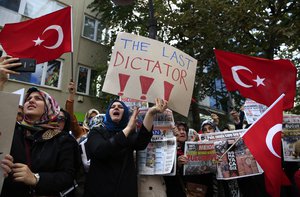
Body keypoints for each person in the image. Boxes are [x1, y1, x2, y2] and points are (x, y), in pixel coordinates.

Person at [0, 87, 80, 197]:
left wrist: (36, 178)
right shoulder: (12, 132)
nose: (31, 100)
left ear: (49, 106)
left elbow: (67, 177)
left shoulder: (63, 139)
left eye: (38, 98)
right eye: (28, 99)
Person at [83, 98, 168, 197]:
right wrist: (128, 128)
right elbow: (100, 150)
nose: (116, 108)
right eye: (113, 107)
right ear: (108, 113)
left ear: (125, 113)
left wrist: (150, 113)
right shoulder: (96, 131)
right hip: (99, 191)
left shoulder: (129, 134)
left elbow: (142, 141)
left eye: (120, 107)